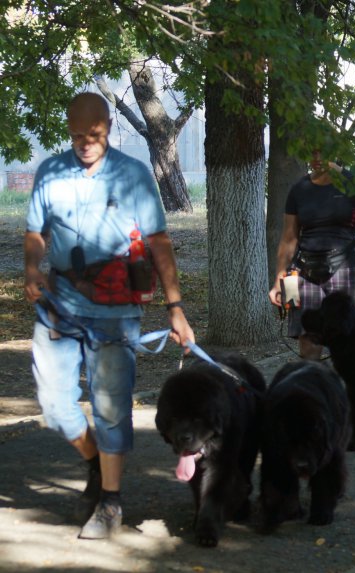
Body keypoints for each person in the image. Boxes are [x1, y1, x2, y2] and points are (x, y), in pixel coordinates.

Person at [23, 92, 195, 539]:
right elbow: (36, 232)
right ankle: (96, 463)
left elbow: (159, 243)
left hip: (116, 309)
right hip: (59, 304)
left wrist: (175, 308)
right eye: (77, 135)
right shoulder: (51, 172)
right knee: (56, 407)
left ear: (108, 129)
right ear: (68, 130)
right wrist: (30, 268)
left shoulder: (133, 175)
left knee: (110, 410)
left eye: (94, 135)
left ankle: (111, 502)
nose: (85, 143)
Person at [268, 151, 355, 358]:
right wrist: (279, 280)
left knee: (349, 336)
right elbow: (288, 237)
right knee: (307, 335)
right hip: (301, 272)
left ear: (336, 149)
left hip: (347, 269)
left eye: (323, 151)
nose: (316, 157)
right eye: (311, 152)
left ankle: (348, 389)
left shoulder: (354, 185)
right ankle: (314, 385)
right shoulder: (299, 189)